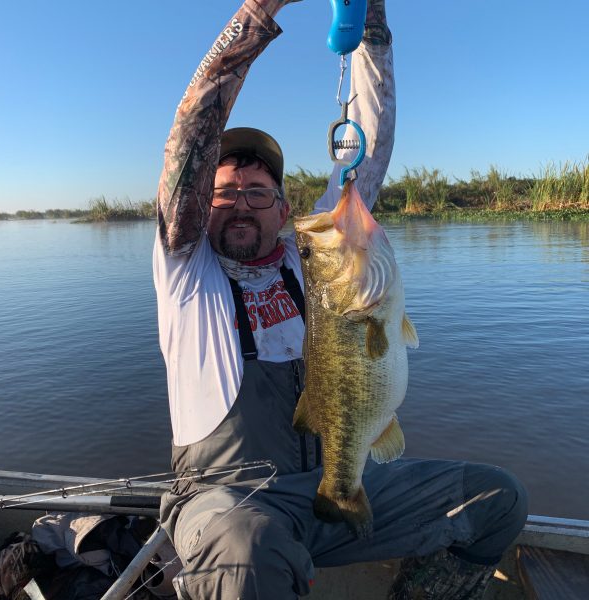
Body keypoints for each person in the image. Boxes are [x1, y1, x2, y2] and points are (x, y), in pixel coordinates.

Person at [153, 1, 528, 598]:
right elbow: (191, 138)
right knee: (248, 552)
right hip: (226, 499)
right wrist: (257, 13)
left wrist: (371, 27)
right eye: (223, 193)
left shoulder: (320, 257)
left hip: (332, 480)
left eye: (258, 191)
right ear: (200, 203)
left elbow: (369, 148)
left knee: (499, 498)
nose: (242, 202)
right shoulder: (186, 269)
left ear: (284, 210)